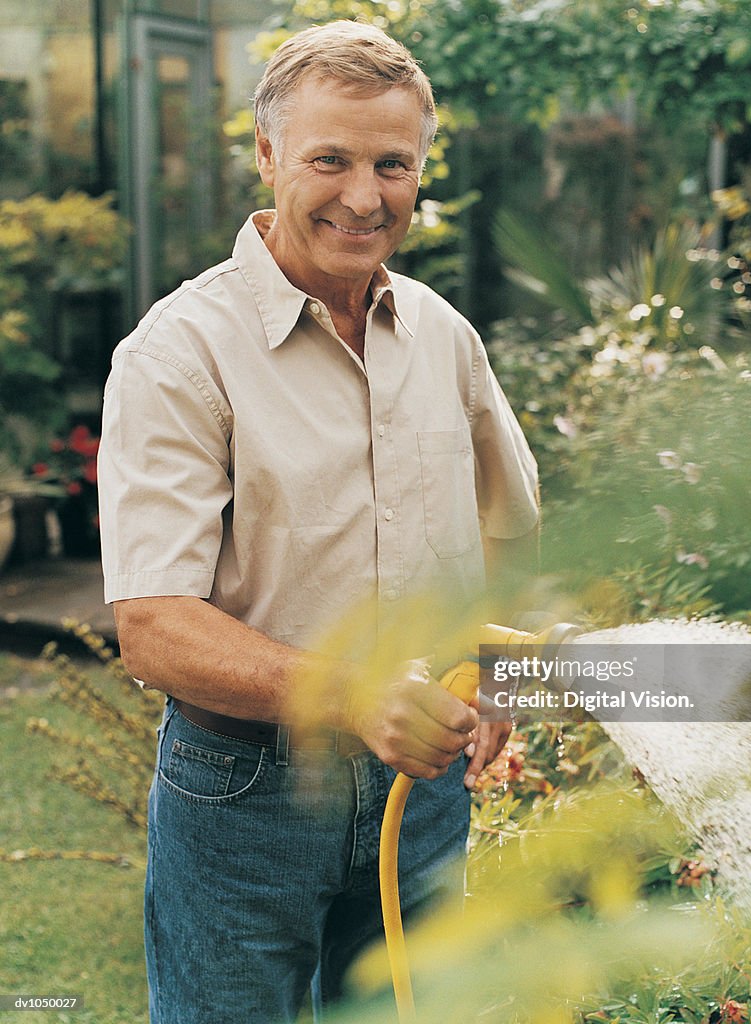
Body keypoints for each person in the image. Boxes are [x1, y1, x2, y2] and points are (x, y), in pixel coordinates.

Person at [98, 19, 539, 1024]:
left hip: (417, 798)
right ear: (266, 155)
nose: (364, 195)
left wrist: (499, 668)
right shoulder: (181, 353)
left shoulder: (444, 337)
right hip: (241, 794)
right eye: (329, 159)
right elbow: (155, 623)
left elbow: (509, 527)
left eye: (393, 164)